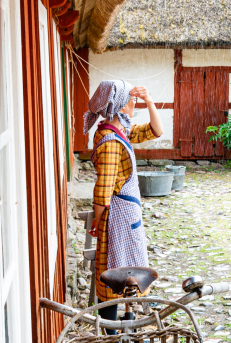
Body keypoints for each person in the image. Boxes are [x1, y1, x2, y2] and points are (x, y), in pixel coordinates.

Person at [84, 80, 164, 334]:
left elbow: (156, 131)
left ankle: (125, 322)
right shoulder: (110, 142)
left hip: (125, 213)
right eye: (131, 100)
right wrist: (98, 219)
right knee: (114, 269)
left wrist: (150, 101)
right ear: (118, 106)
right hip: (117, 216)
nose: (134, 104)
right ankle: (112, 331)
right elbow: (103, 188)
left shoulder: (120, 131)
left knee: (124, 266)